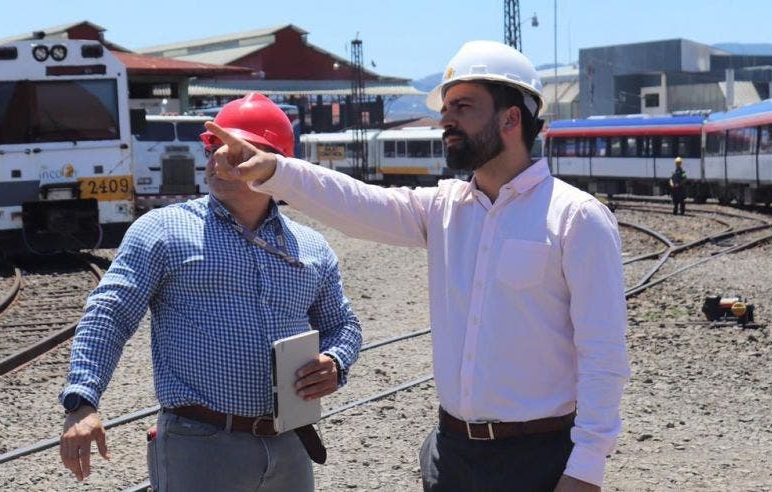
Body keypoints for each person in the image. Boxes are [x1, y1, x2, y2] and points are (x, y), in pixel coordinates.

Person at [209, 40, 629, 492]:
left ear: (512, 118)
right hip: (453, 456)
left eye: (463, 106)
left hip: (538, 458)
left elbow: (604, 354)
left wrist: (586, 468)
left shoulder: (576, 217)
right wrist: (275, 170)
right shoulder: (444, 209)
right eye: (445, 107)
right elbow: (359, 204)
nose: (446, 119)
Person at [58, 93, 362, 492]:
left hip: (292, 444)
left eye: (234, 150)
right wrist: (82, 402)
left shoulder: (312, 247)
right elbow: (109, 314)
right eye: (213, 147)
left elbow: (343, 325)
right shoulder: (163, 231)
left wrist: (335, 362)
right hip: (200, 445)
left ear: (274, 163)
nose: (217, 159)